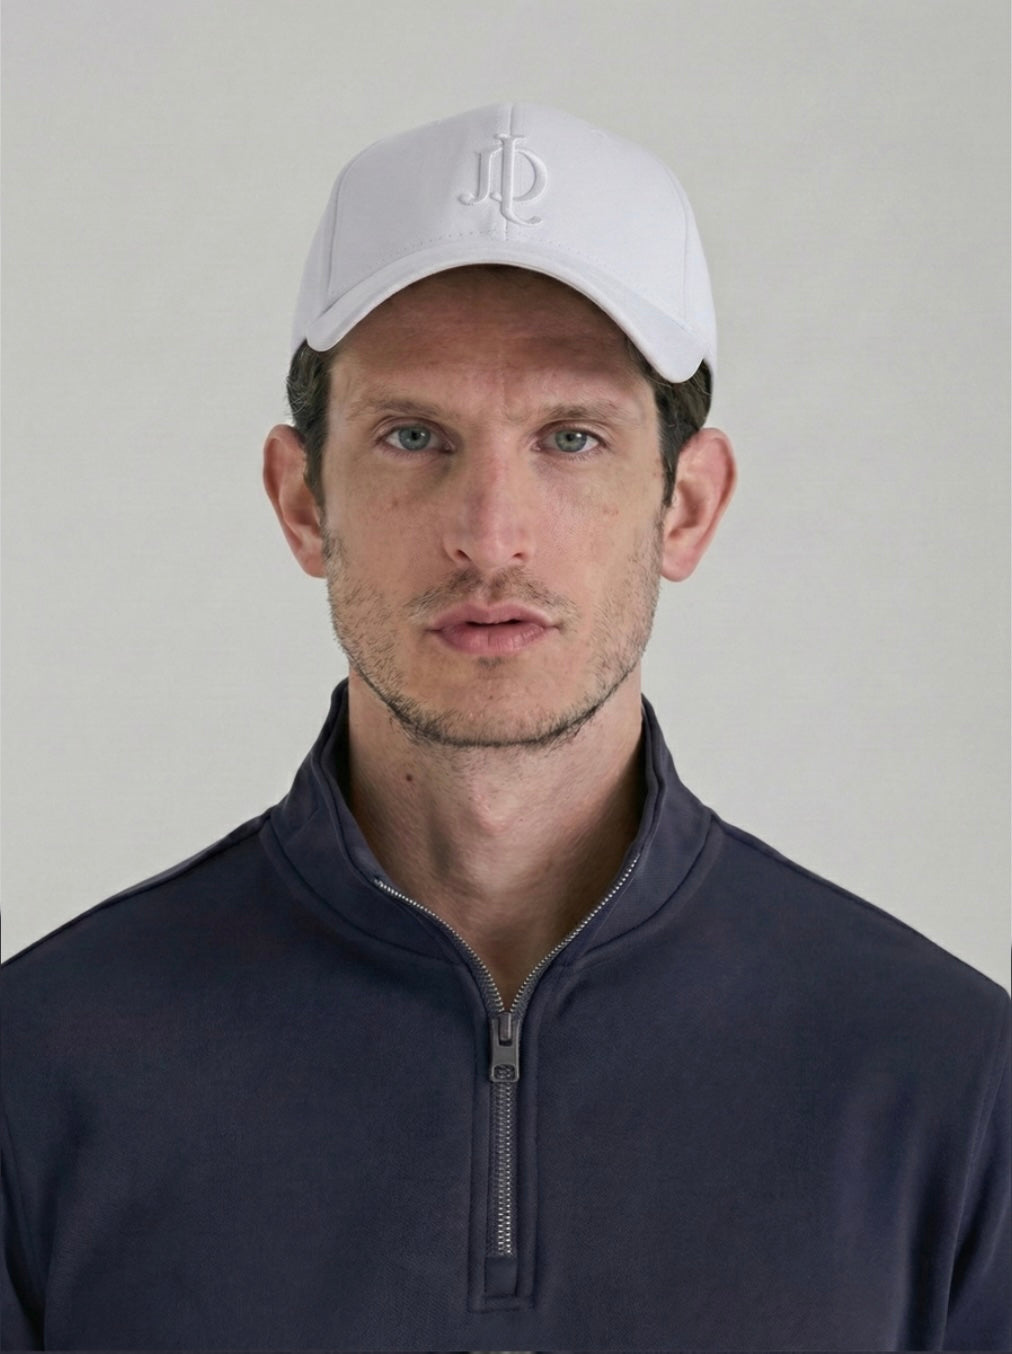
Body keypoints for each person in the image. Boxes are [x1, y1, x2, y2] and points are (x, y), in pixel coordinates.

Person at [1, 102, 1008, 1353]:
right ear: (303, 501)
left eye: (570, 438)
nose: (489, 533)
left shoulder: (947, 1085)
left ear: (686, 507)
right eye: (413, 436)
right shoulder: (40, 1069)